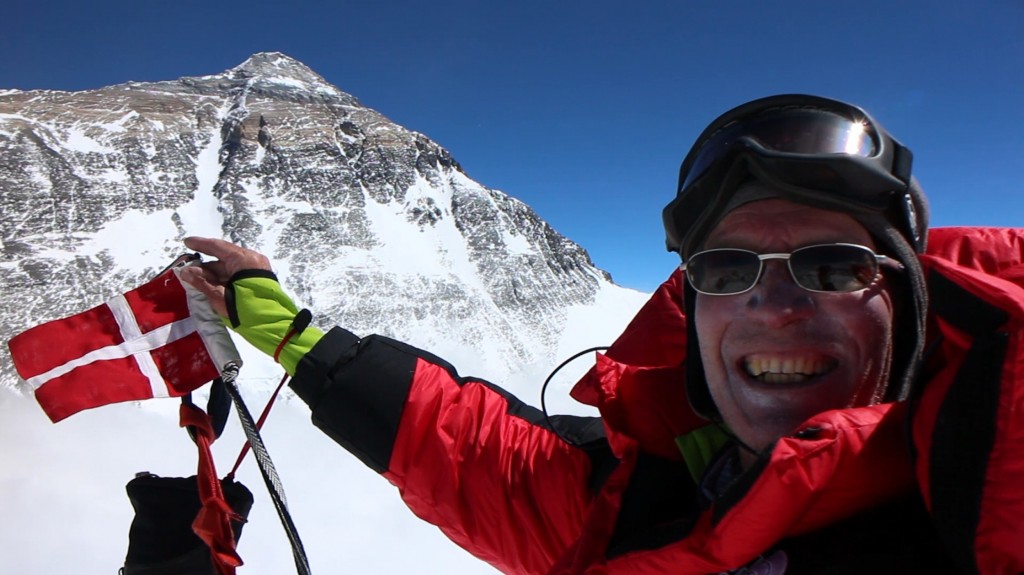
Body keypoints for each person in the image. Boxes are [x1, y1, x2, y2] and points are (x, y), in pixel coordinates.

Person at [180, 94, 1024, 574]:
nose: (773, 304)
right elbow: (469, 447)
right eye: (727, 270)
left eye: (835, 267)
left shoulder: (991, 495)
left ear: (907, 304)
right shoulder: (638, 501)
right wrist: (286, 331)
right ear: (690, 312)